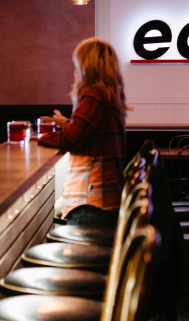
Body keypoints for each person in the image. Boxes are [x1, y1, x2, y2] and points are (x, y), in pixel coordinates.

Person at [37, 38, 128, 228]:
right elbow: (90, 132)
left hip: (92, 203)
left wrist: (40, 138)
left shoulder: (94, 96)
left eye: (77, 66)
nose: (75, 72)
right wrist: (67, 123)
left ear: (87, 67)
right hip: (108, 199)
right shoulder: (109, 96)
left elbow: (71, 139)